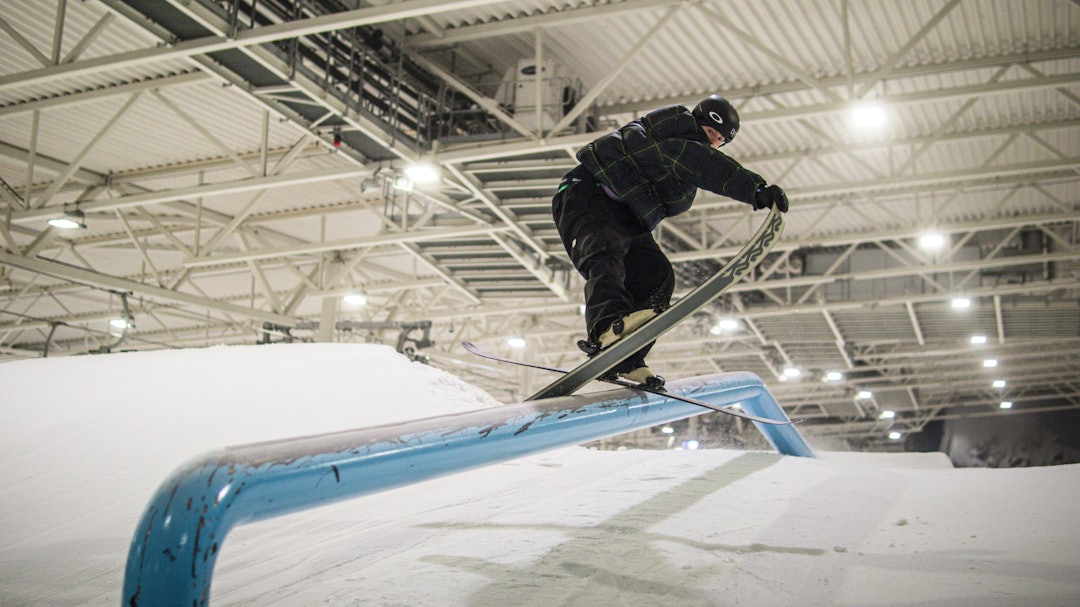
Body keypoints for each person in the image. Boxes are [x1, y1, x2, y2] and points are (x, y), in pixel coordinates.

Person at [552, 94, 789, 387]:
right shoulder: (675, 135)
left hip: (624, 214)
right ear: (699, 121)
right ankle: (605, 330)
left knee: (656, 274)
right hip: (585, 194)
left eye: (718, 140)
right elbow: (706, 164)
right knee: (605, 254)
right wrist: (755, 190)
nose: (712, 141)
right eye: (711, 132)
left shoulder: (682, 159)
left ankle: (627, 358)